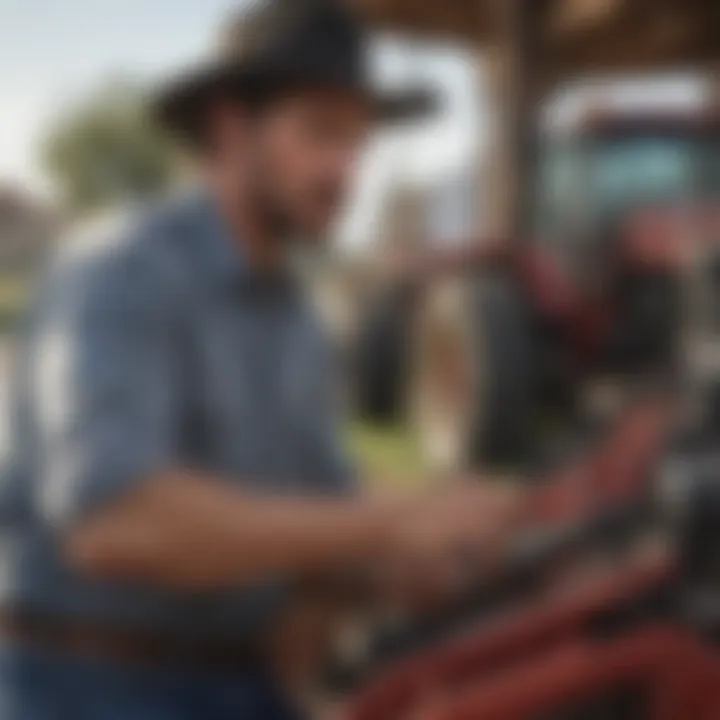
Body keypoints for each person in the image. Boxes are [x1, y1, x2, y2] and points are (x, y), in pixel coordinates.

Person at [0, 2, 528, 718]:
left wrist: (426, 564)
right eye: (321, 132)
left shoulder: (299, 321)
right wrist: (395, 518)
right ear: (229, 127)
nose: (347, 170)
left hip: (247, 685)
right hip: (93, 683)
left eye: (358, 142)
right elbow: (114, 525)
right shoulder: (121, 271)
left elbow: (319, 530)